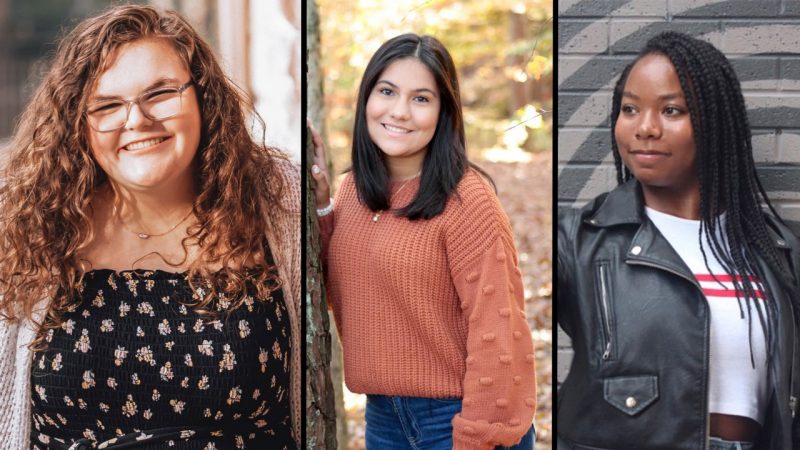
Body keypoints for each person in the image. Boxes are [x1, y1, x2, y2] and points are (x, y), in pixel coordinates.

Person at [0, 5, 300, 449]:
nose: (136, 119)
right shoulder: (29, 219)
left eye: (160, 94)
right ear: (78, 125)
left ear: (203, 96)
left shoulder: (278, 201)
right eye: (106, 105)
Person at [557, 31, 800, 449]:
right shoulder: (576, 240)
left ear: (716, 123)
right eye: (630, 109)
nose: (645, 128)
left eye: (671, 110)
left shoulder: (776, 250)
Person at [310, 33, 537, 450]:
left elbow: (499, 327)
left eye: (421, 98)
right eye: (387, 91)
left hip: (456, 420)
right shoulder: (354, 189)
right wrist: (323, 206)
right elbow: (336, 289)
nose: (399, 111)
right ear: (366, 100)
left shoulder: (467, 200)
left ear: (444, 112)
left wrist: (478, 434)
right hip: (383, 418)